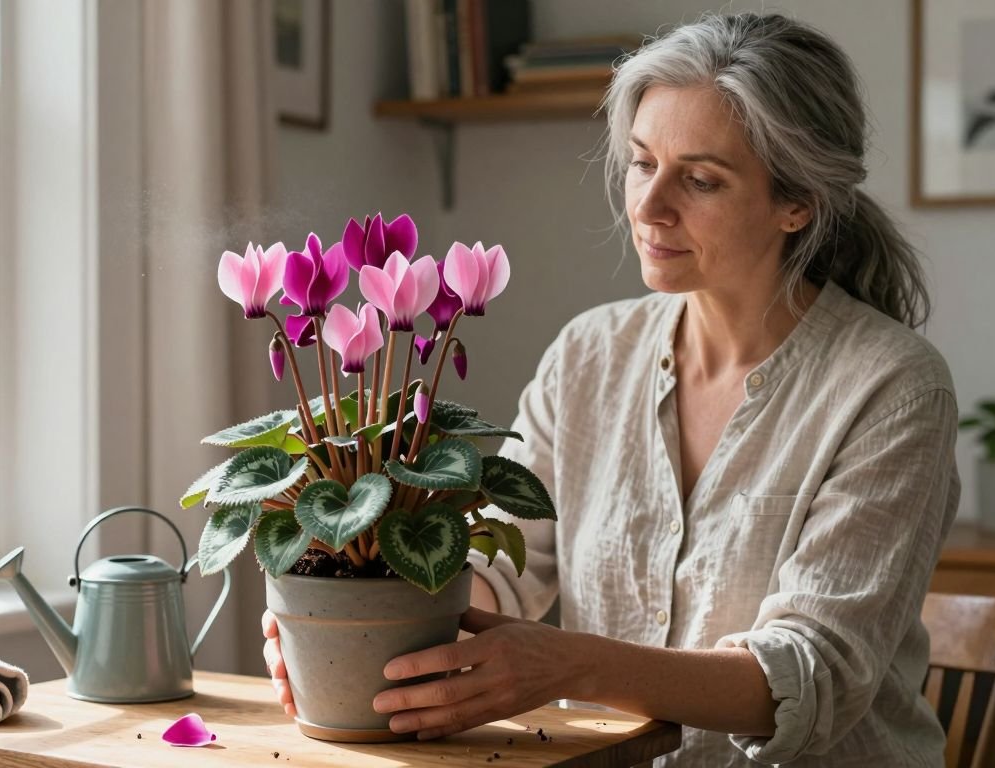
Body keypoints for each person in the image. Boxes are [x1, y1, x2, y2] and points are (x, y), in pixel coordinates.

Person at [263, 12, 959, 766]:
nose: (649, 206)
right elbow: (503, 564)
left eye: (700, 179)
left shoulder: (891, 386)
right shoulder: (587, 357)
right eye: (640, 162)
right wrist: (366, 631)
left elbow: (811, 673)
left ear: (798, 204)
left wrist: (569, 664)